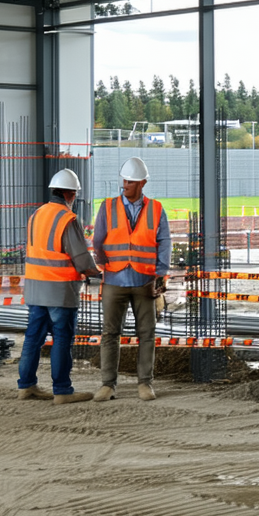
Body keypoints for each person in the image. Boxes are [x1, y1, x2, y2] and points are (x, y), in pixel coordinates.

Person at [18, 168, 102, 405]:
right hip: (59, 289)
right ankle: (62, 390)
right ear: (70, 194)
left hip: (35, 288)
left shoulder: (36, 214)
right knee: (62, 338)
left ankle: (26, 387)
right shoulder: (67, 218)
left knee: (33, 338)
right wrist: (96, 273)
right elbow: (81, 256)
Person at [91, 157, 171, 402]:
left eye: (130, 181)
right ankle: (108, 385)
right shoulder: (107, 207)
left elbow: (164, 242)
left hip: (144, 281)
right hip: (114, 280)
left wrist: (160, 274)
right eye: (124, 180)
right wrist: (106, 266)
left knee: (147, 333)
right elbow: (98, 241)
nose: (125, 185)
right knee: (110, 333)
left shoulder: (156, 209)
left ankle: (145, 383)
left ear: (142, 183)